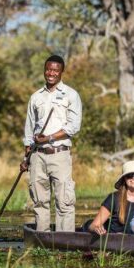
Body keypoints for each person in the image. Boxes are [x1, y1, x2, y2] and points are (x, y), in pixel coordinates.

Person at [20, 55, 82, 232]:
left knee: (64, 201)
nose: (51, 73)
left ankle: (65, 241)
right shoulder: (36, 97)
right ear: (44, 70)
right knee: (39, 201)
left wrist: (49, 138)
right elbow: (29, 130)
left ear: (61, 72)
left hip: (59, 154)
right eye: (48, 69)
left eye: (55, 70)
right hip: (37, 155)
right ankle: (42, 239)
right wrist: (26, 159)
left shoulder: (71, 95)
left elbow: (73, 127)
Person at [86, 160, 134, 235]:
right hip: (116, 239)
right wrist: (97, 229)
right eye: (129, 175)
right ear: (124, 179)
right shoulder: (114, 198)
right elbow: (93, 226)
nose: (133, 178)